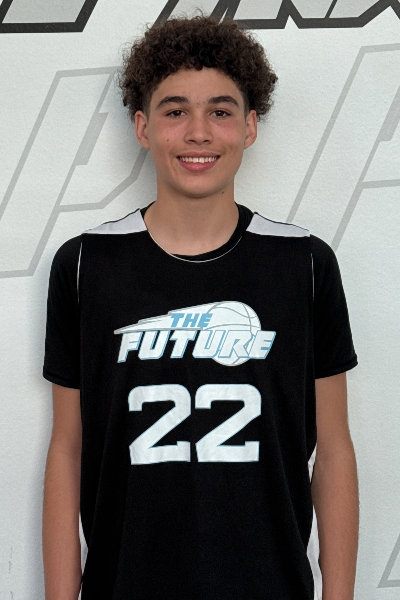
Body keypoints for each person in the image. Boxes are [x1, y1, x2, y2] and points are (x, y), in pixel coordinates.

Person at [42, 13, 359, 600]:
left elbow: (334, 447)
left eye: (220, 111)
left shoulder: (305, 264)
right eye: (174, 111)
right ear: (142, 126)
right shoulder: (85, 265)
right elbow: (67, 447)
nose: (198, 133)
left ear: (250, 125)